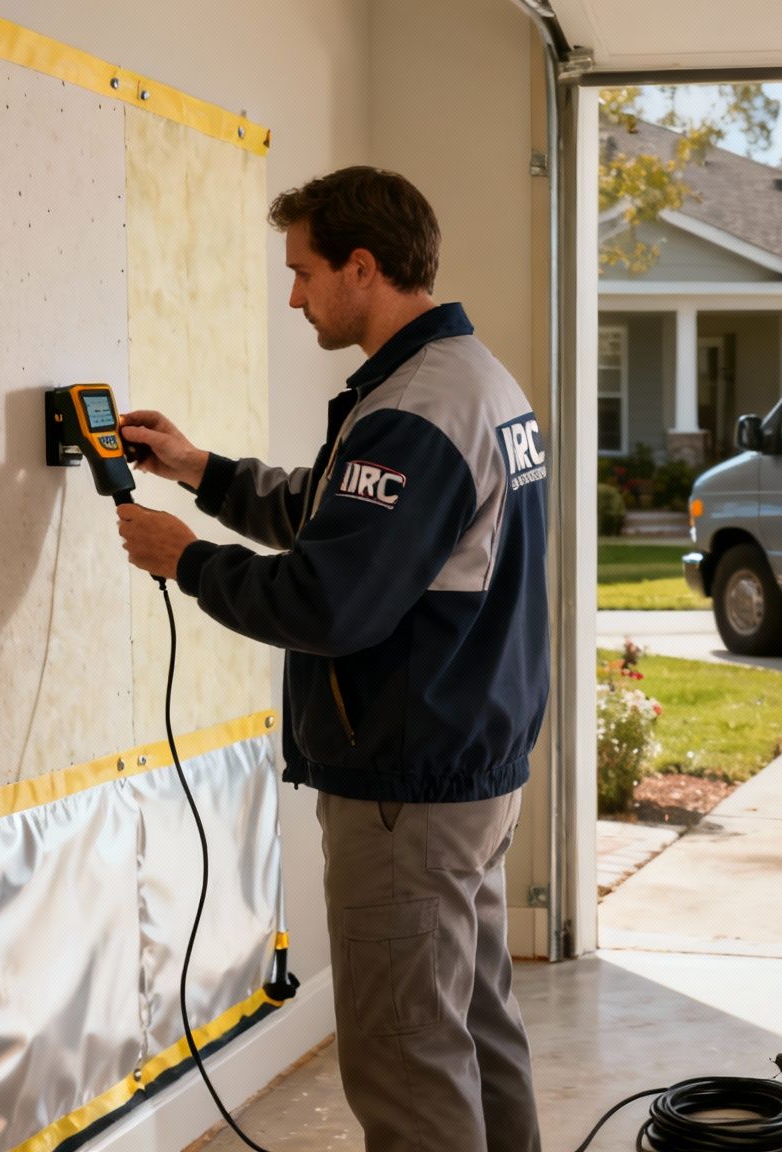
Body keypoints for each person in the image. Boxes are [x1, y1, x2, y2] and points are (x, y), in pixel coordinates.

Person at [112, 166, 548, 1152]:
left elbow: (331, 600)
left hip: (407, 779)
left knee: (404, 1055)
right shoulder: (466, 380)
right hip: (466, 760)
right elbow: (343, 517)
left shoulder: (414, 410)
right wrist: (200, 471)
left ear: (363, 266)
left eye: (305, 272)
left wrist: (189, 559)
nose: (295, 295)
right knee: (474, 1026)